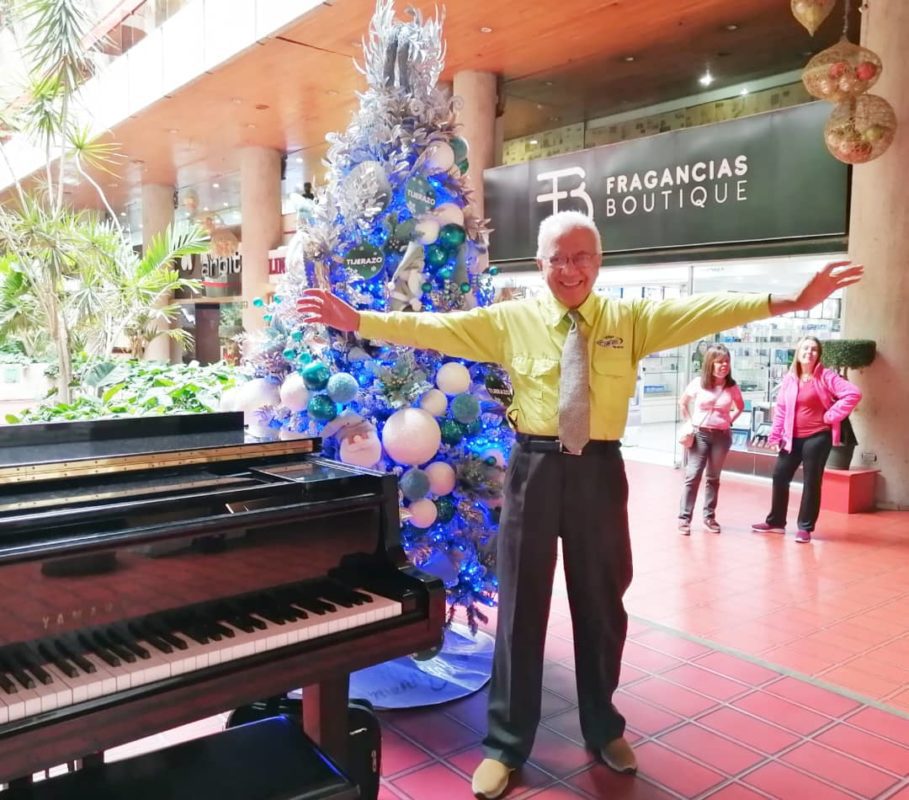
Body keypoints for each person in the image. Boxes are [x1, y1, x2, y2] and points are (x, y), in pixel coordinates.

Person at [296, 211, 862, 800]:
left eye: (581, 256)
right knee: (520, 609)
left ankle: (603, 727)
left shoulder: (629, 318)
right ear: (540, 264)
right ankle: (505, 744)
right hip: (533, 469)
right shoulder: (511, 321)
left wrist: (790, 300)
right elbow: (439, 327)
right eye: (557, 258)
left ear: (599, 260)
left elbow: (707, 310)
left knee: (602, 601)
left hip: (599, 470)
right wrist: (357, 319)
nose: (569, 269)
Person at [752, 336, 862, 543]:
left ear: (818, 354)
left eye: (813, 349)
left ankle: (805, 527)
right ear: (798, 352)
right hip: (791, 438)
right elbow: (782, 409)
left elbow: (853, 393)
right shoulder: (790, 378)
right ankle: (776, 523)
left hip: (818, 437)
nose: (809, 352)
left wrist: (831, 415)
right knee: (780, 476)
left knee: (811, 482)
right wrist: (775, 436)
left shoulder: (826, 376)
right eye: (805, 348)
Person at [677, 344, 744, 535]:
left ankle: (709, 516)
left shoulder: (732, 386)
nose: (724, 365)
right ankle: (684, 518)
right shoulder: (698, 382)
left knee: (713, 478)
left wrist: (728, 420)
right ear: (710, 363)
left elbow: (740, 406)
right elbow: (683, 402)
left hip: (722, 437)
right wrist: (689, 422)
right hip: (700, 435)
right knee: (693, 475)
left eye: (727, 362)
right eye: (720, 362)